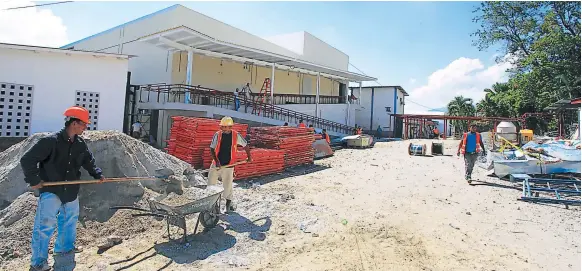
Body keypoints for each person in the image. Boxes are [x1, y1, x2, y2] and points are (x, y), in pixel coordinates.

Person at [21, 106, 105, 271]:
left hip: (71, 191)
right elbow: (27, 159)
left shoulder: (80, 144)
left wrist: (97, 174)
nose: (85, 127)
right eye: (83, 124)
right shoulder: (50, 141)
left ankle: (64, 250)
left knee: (69, 222)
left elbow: (88, 161)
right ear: (74, 123)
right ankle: (38, 263)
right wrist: (34, 179)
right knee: (44, 226)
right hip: (52, 191)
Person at [209, 116, 252, 213]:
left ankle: (228, 204)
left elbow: (245, 146)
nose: (222, 128)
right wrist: (217, 161)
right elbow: (212, 148)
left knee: (227, 185)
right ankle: (211, 204)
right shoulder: (217, 134)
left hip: (229, 164)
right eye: (222, 126)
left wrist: (249, 157)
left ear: (230, 127)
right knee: (211, 183)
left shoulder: (236, 135)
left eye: (224, 127)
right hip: (216, 163)